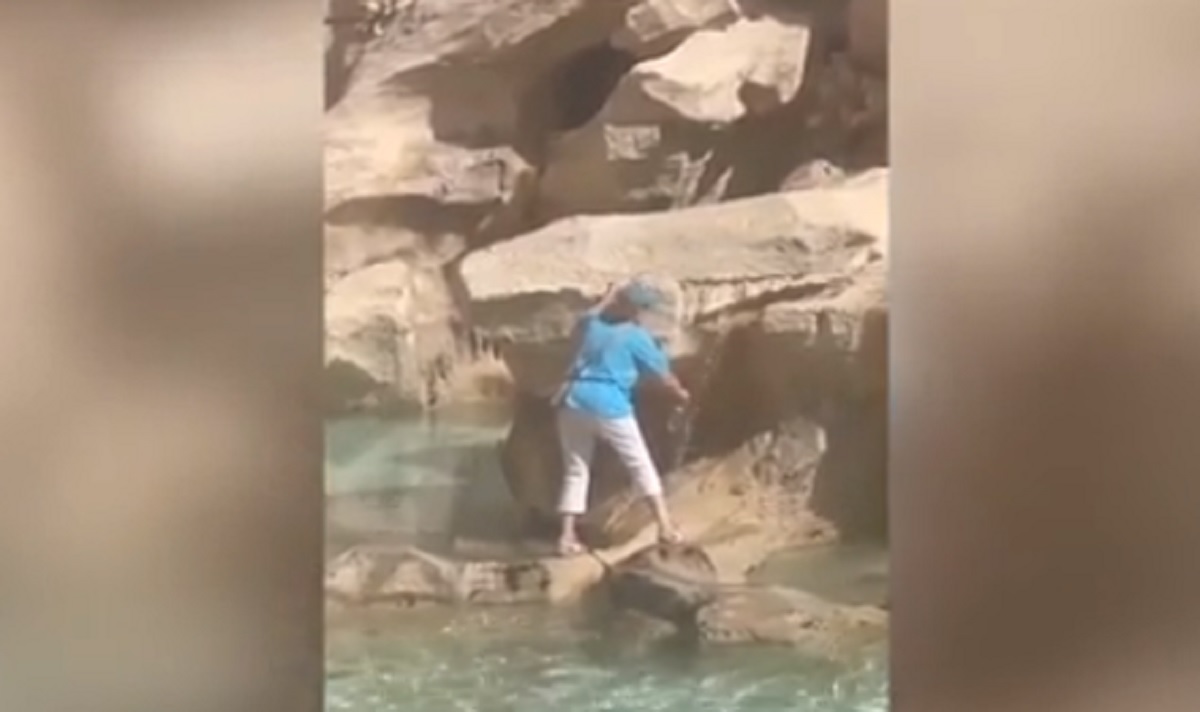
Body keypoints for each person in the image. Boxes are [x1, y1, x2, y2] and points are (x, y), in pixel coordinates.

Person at [551, 280, 691, 556]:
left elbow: (591, 313)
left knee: (576, 470)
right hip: (609, 404)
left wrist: (609, 296)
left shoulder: (594, 325)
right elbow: (663, 376)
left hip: (572, 399)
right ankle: (665, 526)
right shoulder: (636, 337)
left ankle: (567, 537)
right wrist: (681, 394)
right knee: (640, 463)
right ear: (638, 309)